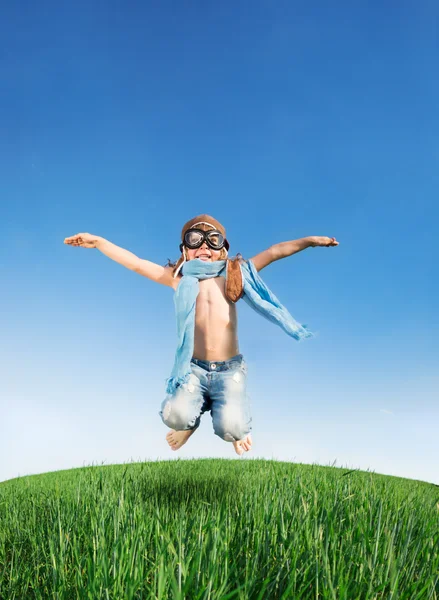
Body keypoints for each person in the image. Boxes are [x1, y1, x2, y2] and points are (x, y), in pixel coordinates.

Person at [64, 214, 338, 456]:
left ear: (223, 250)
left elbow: (276, 251)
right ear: (185, 250)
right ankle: (190, 424)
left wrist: (312, 240)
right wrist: (99, 242)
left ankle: (237, 421)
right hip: (193, 369)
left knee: (232, 429)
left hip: (229, 371)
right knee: (174, 416)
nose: (204, 246)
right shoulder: (178, 278)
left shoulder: (234, 275)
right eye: (196, 240)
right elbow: (136, 263)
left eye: (212, 240)